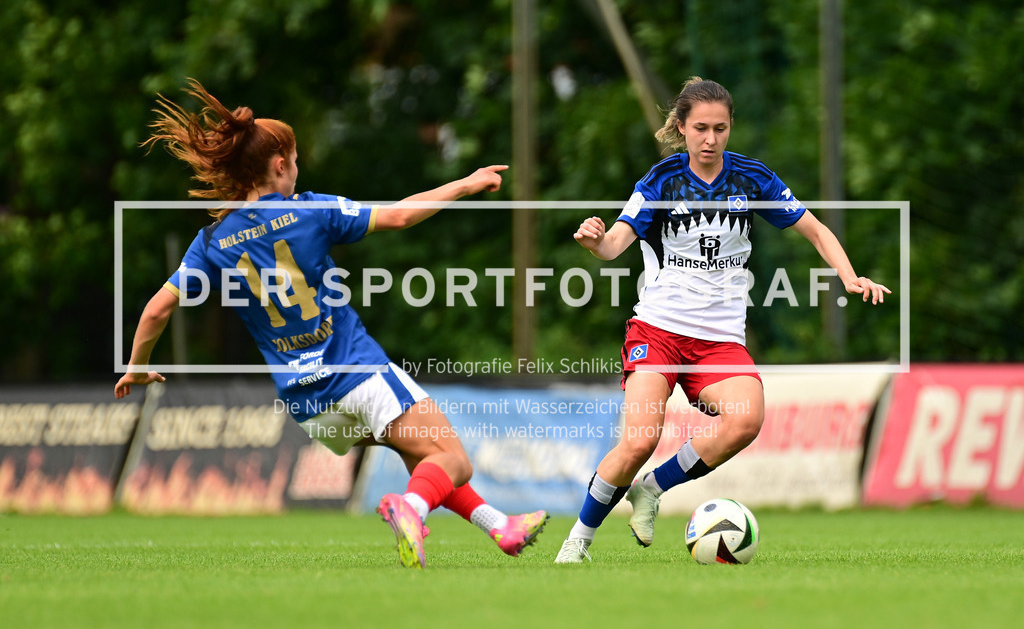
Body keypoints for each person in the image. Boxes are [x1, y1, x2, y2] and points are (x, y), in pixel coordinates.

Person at [113, 79, 547, 569]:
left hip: (307, 401)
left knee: (417, 452)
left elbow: (157, 309)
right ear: (280, 165)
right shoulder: (311, 210)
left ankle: (501, 528)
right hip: (355, 370)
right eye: (295, 161)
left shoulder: (213, 240)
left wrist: (136, 366)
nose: (298, 170)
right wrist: (465, 184)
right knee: (453, 461)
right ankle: (411, 508)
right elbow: (400, 217)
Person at [554, 77, 890, 563]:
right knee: (639, 440)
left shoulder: (752, 179)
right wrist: (594, 240)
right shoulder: (659, 183)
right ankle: (578, 542)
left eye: (720, 128)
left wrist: (850, 275)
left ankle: (652, 488)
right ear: (682, 129)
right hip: (658, 331)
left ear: (730, 128)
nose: (710, 139)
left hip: (718, 341)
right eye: (700, 129)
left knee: (746, 418)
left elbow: (815, 230)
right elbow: (613, 246)